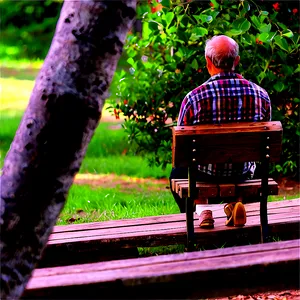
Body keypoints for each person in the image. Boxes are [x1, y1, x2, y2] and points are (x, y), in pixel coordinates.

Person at [170, 35, 271, 227]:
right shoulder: (261, 95)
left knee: (179, 171)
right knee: (248, 165)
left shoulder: (193, 98)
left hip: (204, 174)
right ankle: (235, 204)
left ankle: (203, 211)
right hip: (243, 173)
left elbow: (180, 150)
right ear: (237, 61)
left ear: (208, 62)